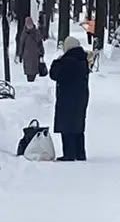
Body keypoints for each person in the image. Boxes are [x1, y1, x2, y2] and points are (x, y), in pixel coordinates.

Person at [49, 32, 90, 161]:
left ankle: (69, 153)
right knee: (78, 124)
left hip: (68, 98)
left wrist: (57, 62)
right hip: (81, 96)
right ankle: (80, 153)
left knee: (67, 125)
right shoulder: (82, 60)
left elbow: (55, 74)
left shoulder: (68, 61)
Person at [20, 14, 45, 82]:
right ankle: (30, 81)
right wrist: (20, 54)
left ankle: (31, 82)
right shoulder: (24, 33)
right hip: (28, 55)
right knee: (29, 71)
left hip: (34, 54)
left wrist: (41, 52)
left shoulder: (36, 32)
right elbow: (22, 44)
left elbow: (40, 42)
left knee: (33, 70)